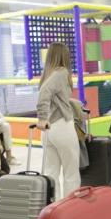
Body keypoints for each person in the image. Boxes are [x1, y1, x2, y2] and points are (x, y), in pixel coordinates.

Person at [37, 42, 81, 200]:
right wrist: (42, 116)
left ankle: (53, 211)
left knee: (51, 173)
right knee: (71, 173)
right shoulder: (61, 72)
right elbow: (44, 93)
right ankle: (71, 213)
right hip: (62, 127)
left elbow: (50, 95)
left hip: (49, 131)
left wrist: (43, 118)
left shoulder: (47, 74)